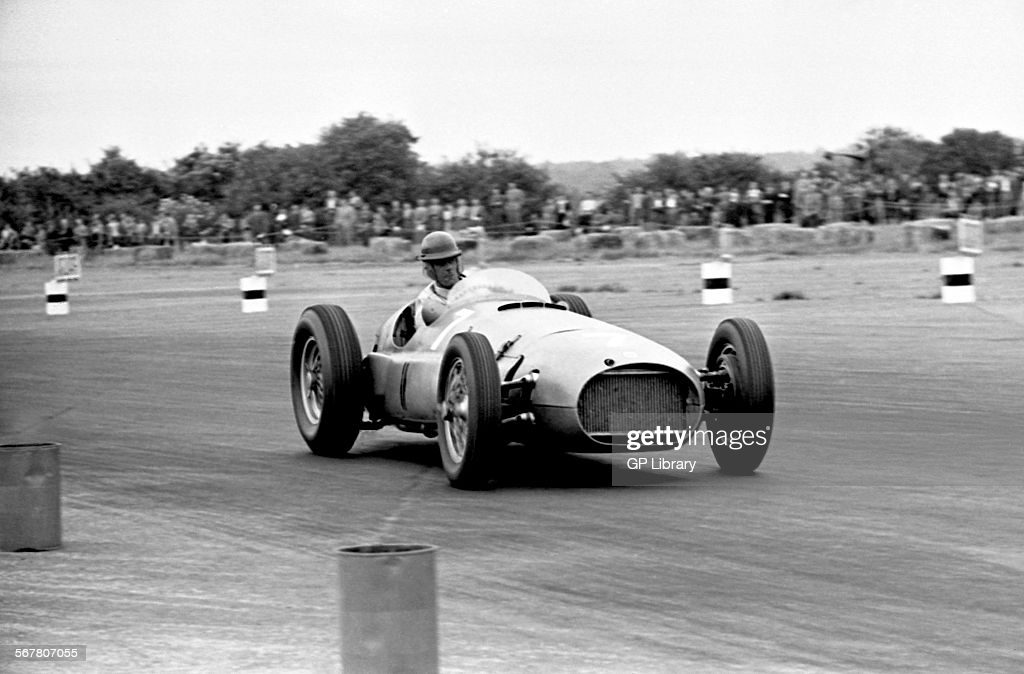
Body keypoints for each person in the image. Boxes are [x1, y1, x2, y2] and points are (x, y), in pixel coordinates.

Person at [413, 231, 465, 328]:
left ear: (457, 262)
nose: (448, 268)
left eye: (451, 261)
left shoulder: (475, 286)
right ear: (430, 269)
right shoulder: (426, 303)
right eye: (441, 263)